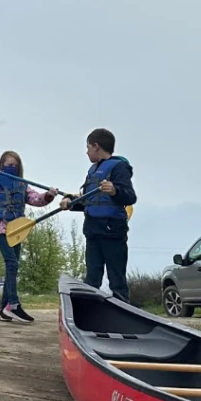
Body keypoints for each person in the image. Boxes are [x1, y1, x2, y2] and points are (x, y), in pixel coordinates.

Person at [0, 151, 57, 323]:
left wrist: (49, 195)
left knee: (13, 267)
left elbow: (37, 199)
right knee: (12, 263)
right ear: (1, 165)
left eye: (15, 165)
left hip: (17, 229)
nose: (11, 168)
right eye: (8, 165)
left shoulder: (22, 185)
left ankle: (4, 308)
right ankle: (13, 304)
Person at [60, 128, 136, 303]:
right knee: (92, 278)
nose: (86, 151)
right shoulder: (93, 170)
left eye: (87, 147)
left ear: (96, 147)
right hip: (93, 231)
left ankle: (123, 316)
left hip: (112, 231)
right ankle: (90, 313)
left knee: (116, 280)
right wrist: (69, 203)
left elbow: (130, 197)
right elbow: (89, 201)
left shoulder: (118, 168)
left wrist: (115, 190)